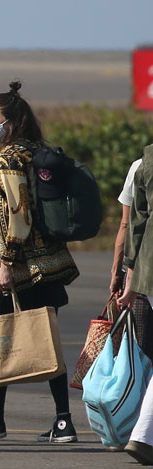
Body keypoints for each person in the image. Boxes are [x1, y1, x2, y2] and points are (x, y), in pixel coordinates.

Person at [0, 81, 80, 443]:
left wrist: (5, 262)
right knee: (46, 338)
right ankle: (63, 421)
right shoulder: (38, 151)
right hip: (52, 261)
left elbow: (19, 215)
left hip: (24, 266)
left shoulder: (10, 157)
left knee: (1, 335)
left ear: (10, 121)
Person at [118, 144, 153, 465]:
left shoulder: (143, 163)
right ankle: (143, 435)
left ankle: (142, 434)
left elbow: (133, 225)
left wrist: (127, 281)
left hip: (148, 269)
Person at [109, 158, 153, 361]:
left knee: (141, 347)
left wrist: (117, 273)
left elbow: (126, 225)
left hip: (143, 271)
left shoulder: (141, 166)